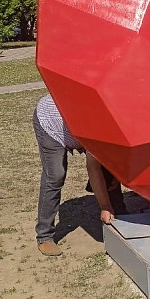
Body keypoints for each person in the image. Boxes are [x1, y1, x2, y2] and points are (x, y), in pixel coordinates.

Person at [33, 93, 126, 256]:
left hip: (76, 127)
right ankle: (44, 236)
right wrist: (105, 205)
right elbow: (93, 167)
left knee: (109, 164)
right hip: (50, 123)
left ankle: (120, 216)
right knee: (55, 176)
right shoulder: (95, 122)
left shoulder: (116, 117)